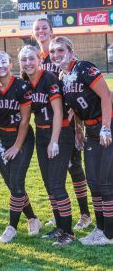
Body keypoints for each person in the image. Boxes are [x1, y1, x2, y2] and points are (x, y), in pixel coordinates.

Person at [49, 36, 113, 245]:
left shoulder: (84, 68)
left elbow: (106, 96)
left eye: (60, 50)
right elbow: (76, 107)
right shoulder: (62, 76)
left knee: (106, 183)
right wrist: (78, 130)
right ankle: (100, 228)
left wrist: (105, 127)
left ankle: (110, 234)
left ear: (71, 51)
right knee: (94, 182)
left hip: (106, 126)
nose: (56, 55)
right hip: (90, 130)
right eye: (53, 52)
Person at [32, 18, 91, 230]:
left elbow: (75, 94)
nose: (41, 31)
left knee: (74, 168)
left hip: (66, 122)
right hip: (45, 124)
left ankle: (85, 213)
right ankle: (57, 214)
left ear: (51, 31)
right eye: (37, 29)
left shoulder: (62, 54)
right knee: (51, 174)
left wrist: (77, 127)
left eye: (44, 28)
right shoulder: (35, 59)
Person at [0, 51, 41, 243]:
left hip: (20, 137)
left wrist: (17, 145)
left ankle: (12, 227)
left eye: (3, 62)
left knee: (16, 182)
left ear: (10, 64)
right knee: (12, 184)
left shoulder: (22, 86)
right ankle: (32, 218)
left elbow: (25, 120)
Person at [20, 45, 75, 246]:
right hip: (42, 133)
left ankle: (68, 233)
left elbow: (59, 112)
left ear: (39, 60)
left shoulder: (49, 78)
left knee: (57, 183)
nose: (27, 63)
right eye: (23, 60)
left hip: (58, 133)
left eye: (31, 59)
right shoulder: (27, 82)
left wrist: (54, 141)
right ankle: (60, 227)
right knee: (49, 184)